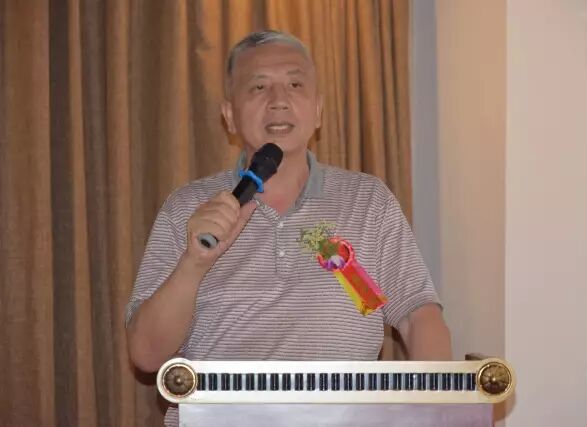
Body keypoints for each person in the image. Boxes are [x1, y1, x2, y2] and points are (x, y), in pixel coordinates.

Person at [125, 30, 451, 425]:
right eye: (258, 86)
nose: (278, 100)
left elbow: (419, 317)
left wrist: (432, 411)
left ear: (318, 111)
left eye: (295, 85)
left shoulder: (368, 200)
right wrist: (194, 262)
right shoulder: (187, 208)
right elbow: (147, 355)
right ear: (229, 115)